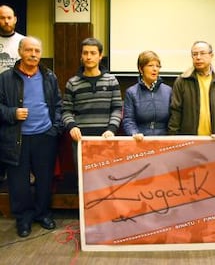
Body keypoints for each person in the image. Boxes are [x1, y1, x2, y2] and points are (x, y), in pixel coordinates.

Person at [0, 36, 62, 237]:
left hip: (45, 136)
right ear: (20, 52)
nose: (33, 54)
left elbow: (58, 104)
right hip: (17, 138)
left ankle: (43, 214)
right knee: (19, 183)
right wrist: (12, 113)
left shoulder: (49, 76)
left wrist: (55, 128)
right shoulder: (5, 78)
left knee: (45, 180)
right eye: (29, 50)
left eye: (37, 50)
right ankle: (23, 219)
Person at [62, 38, 122, 166]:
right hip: (82, 141)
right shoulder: (72, 83)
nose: (89, 57)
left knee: (107, 180)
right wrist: (72, 126)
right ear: (81, 56)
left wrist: (111, 129)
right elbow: (66, 111)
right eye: (85, 53)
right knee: (84, 182)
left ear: (100, 56)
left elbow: (117, 109)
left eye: (93, 53)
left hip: (106, 139)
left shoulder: (112, 80)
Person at [168, 40, 215, 137]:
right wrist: (173, 138)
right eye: (194, 54)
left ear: (211, 55)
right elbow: (175, 112)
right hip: (189, 142)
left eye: (202, 53)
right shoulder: (182, 81)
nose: (198, 57)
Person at [0, 5, 25, 182]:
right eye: (2, 18)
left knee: (13, 134)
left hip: (16, 93)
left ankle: (13, 173)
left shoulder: (24, 42)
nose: (6, 21)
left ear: (15, 19)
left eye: (9, 17)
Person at [122, 50, 172, 139]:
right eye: (150, 65)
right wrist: (134, 133)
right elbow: (128, 120)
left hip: (164, 140)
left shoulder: (168, 91)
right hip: (140, 140)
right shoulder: (131, 92)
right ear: (141, 69)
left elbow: (173, 120)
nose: (155, 69)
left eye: (157, 66)